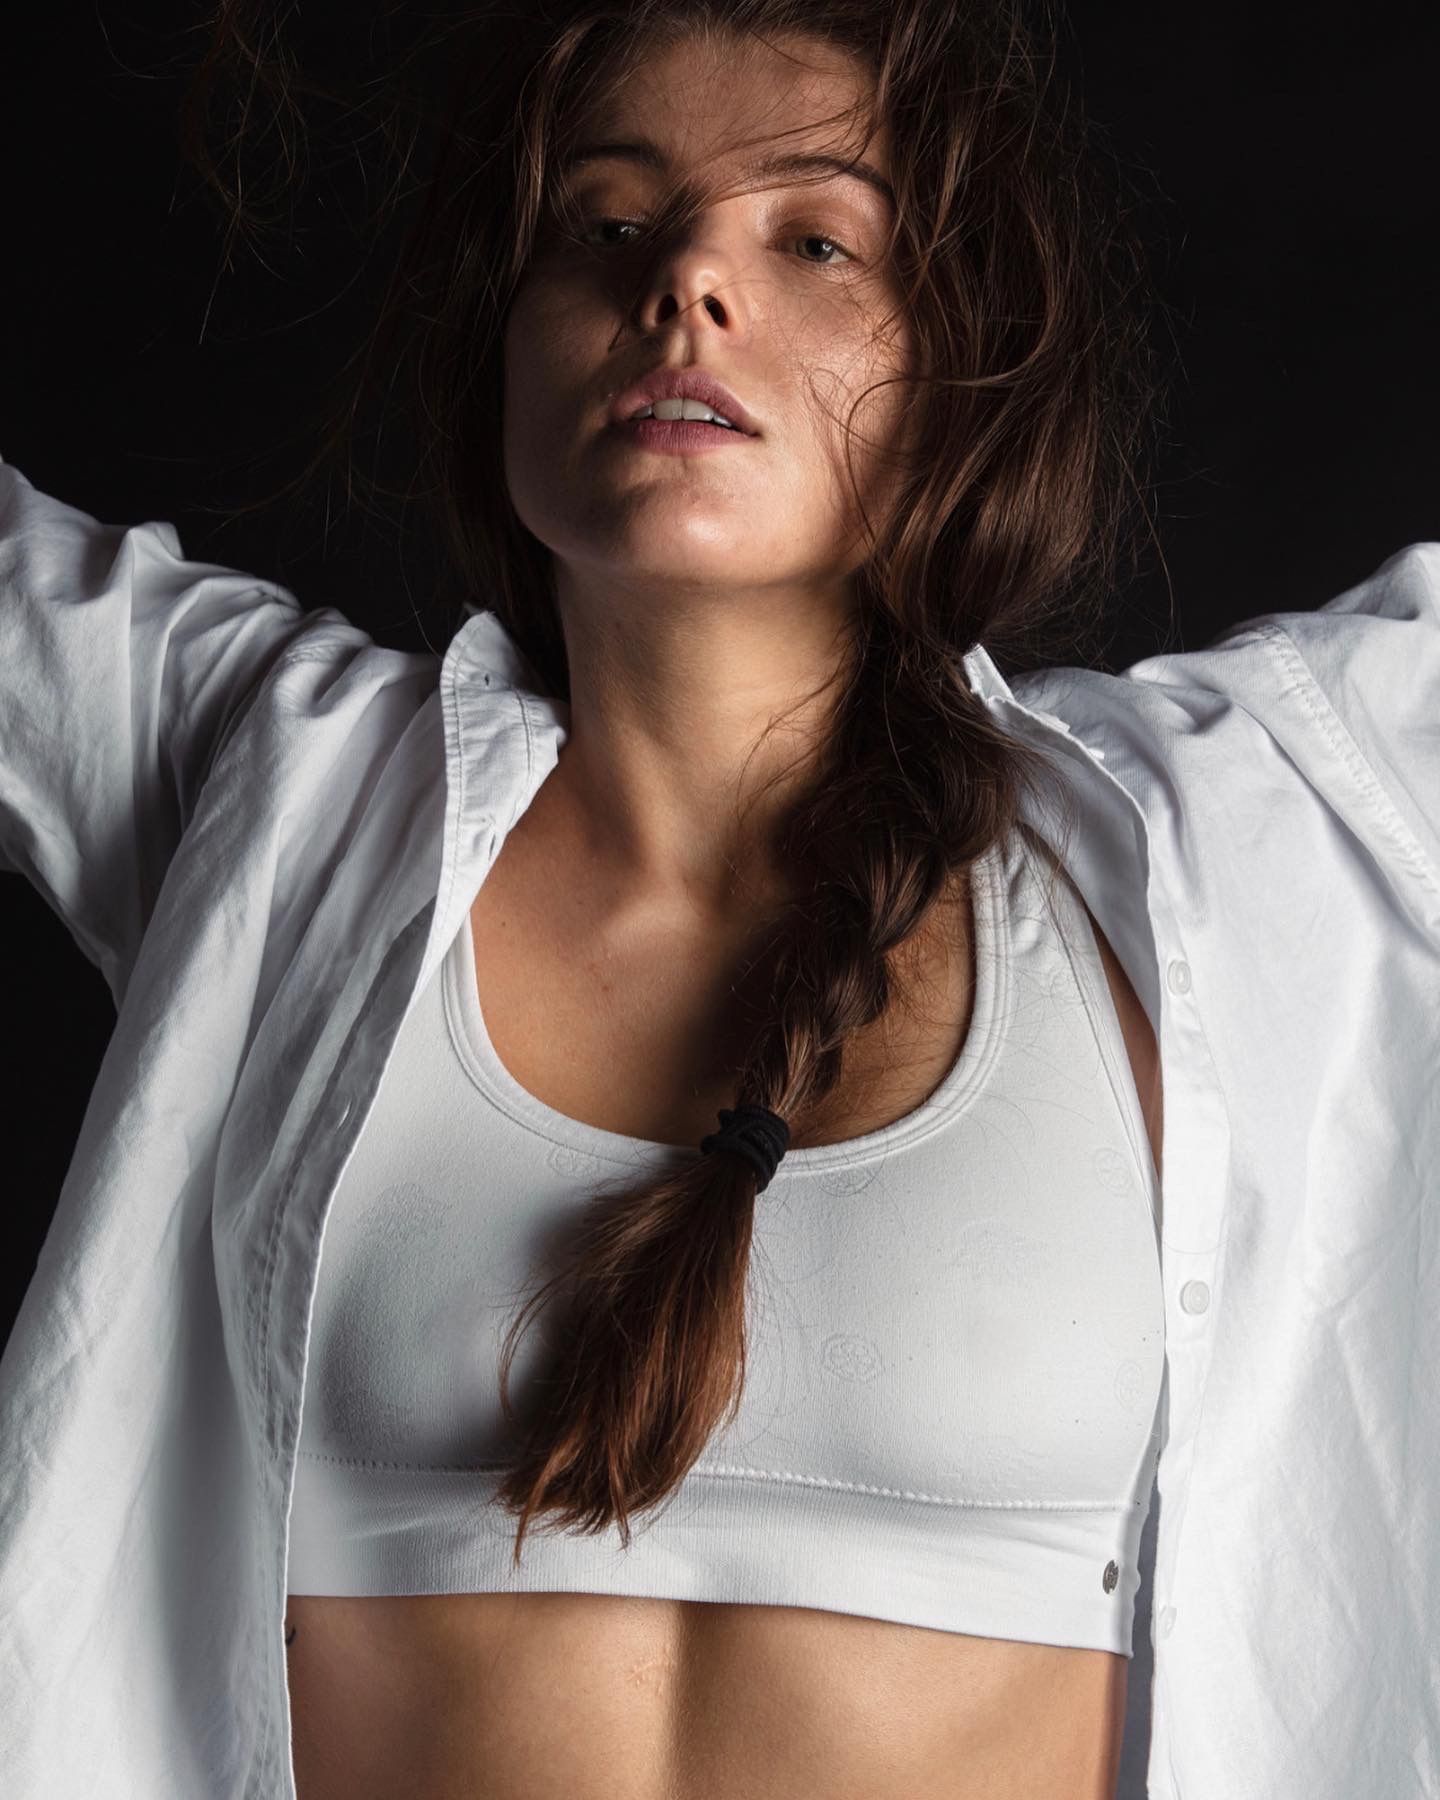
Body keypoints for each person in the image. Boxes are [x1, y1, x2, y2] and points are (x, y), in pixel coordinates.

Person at [1, 1, 1437, 1797]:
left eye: (813, 236)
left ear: (961, 364)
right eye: (605, 223)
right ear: (502, 347)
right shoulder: (280, 799)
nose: (685, 279)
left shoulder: (1229, 840)